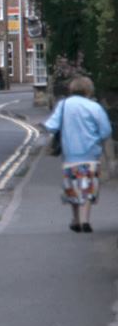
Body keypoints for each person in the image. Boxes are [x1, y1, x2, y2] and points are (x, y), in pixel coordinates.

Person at [43, 76, 113, 233]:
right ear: (89, 90)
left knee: (73, 189)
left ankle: (75, 220)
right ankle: (85, 221)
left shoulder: (64, 105)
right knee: (87, 188)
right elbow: (106, 131)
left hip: (70, 156)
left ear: (72, 89)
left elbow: (51, 126)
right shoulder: (94, 107)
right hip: (90, 155)